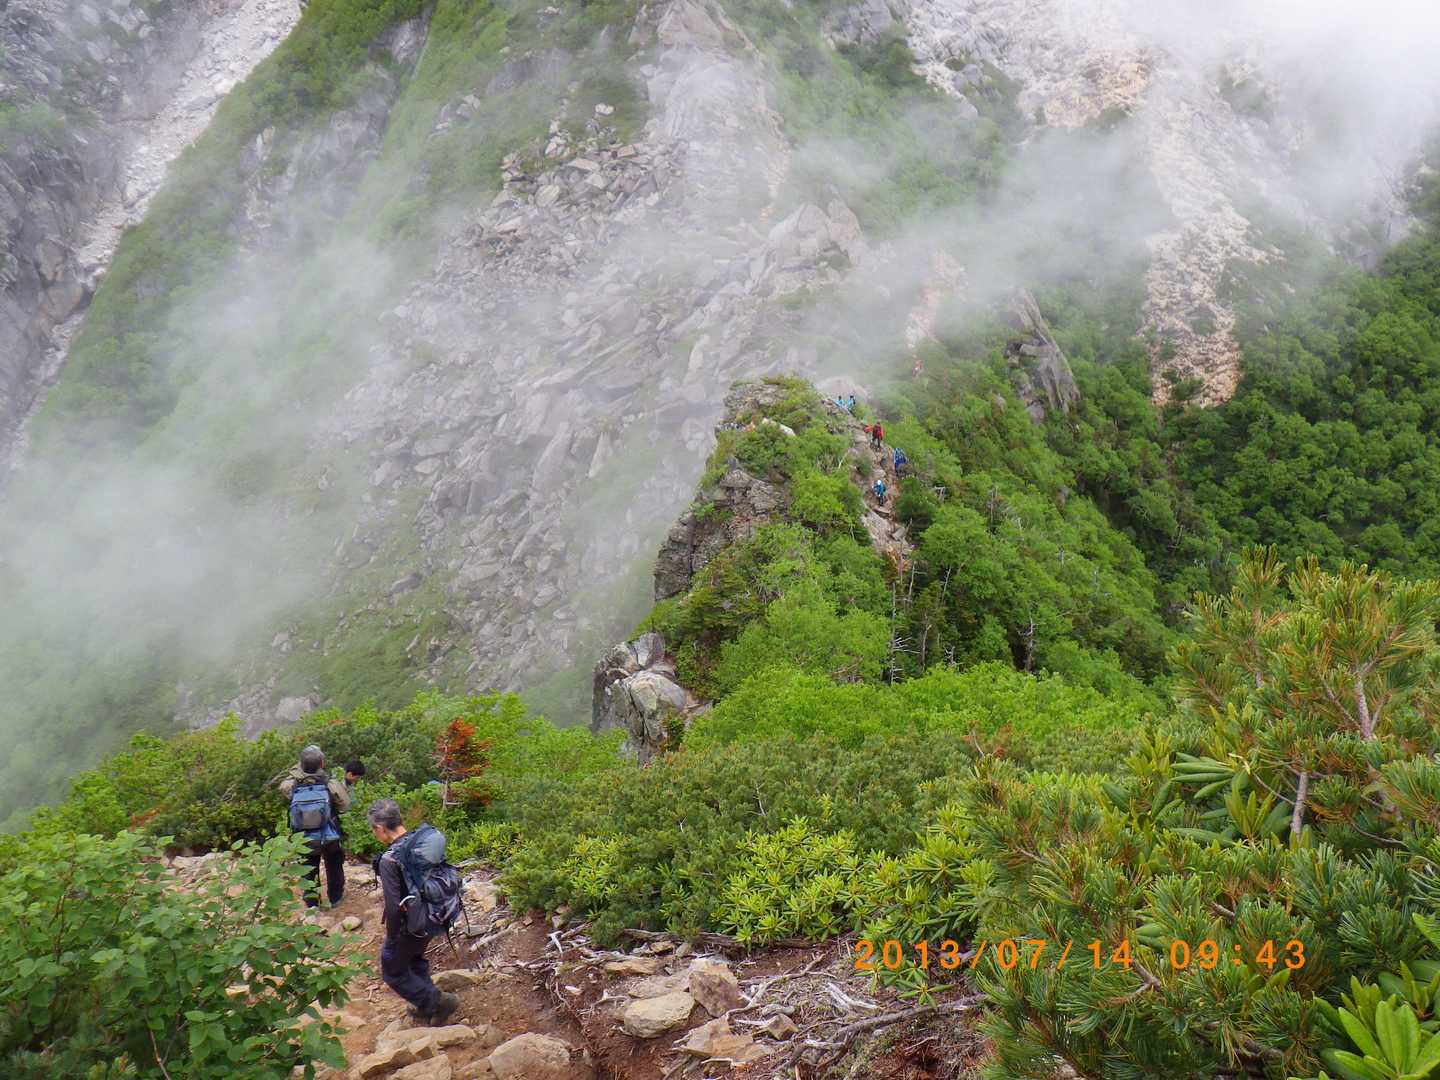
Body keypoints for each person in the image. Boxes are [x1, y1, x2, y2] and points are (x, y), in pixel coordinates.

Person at [368, 800, 460, 1025]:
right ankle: (427, 1006)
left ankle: (438, 1003)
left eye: (373, 829)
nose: (374, 833)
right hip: (434, 915)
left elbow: (393, 907)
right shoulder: (420, 843)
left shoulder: (390, 859)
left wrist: (392, 936)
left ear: (380, 828)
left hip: (412, 923)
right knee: (414, 960)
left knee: (393, 971)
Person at [279, 745, 351, 908]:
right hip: (329, 834)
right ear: (322, 764)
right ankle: (335, 898)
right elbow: (345, 805)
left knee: (308, 869)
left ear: (301, 764)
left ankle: (312, 903)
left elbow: (286, 790)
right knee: (334, 865)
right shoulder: (330, 783)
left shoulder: (290, 785)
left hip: (303, 837)